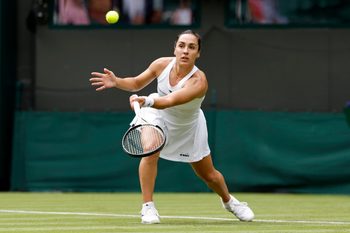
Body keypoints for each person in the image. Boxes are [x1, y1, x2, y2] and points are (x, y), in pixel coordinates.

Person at [89, 30, 255, 224]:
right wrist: (116, 82)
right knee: (150, 150)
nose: (185, 51)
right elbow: (135, 83)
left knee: (209, 175)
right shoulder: (161, 64)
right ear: (175, 48)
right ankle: (148, 207)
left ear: (198, 53)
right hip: (158, 116)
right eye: (181, 45)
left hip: (188, 126)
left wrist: (147, 100)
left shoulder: (199, 81)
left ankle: (229, 202)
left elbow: (171, 100)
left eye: (191, 47)